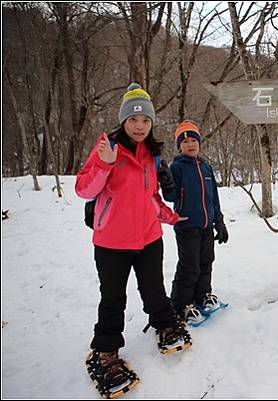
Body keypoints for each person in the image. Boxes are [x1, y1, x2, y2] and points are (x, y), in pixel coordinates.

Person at [75, 83, 192, 394]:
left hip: (149, 237)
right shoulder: (107, 147)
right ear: (123, 121)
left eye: (145, 121)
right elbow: (84, 189)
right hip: (112, 241)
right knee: (113, 297)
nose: (139, 126)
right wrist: (105, 164)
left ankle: (165, 324)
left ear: (151, 123)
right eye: (133, 120)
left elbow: (149, 195)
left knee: (154, 287)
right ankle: (106, 352)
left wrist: (168, 216)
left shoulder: (151, 153)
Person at [158, 120, 229, 325]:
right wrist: (166, 180)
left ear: (199, 143)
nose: (190, 144)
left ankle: (203, 295)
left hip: (206, 226)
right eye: (185, 141)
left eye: (193, 140)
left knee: (206, 262)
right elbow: (171, 196)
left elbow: (213, 197)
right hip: (187, 226)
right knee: (189, 266)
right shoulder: (177, 167)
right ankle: (182, 304)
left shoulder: (206, 167)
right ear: (179, 145)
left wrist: (220, 222)